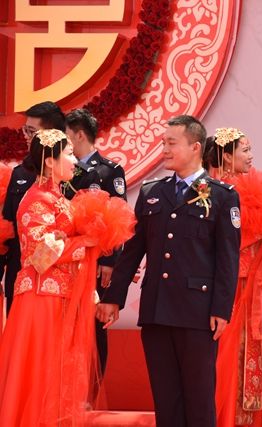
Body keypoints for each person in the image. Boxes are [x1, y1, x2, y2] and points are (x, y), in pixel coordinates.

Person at [97, 115, 241, 427]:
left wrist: (221, 308)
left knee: (199, 398)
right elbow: (134, 249)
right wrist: (113, 297)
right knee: (166, 398)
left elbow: (228, 259)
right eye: (163, 143)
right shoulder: (152, 191)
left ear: (195, 147)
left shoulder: (222, 195)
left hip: (197, 312)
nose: (164, 149)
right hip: (157, 309)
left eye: (171, 143)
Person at [0, 129, 98, 425]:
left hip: (59, 296)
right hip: (41, 298)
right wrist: (84, 243)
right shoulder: (36, 200)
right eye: (68, 154)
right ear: (49, 161)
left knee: (57, 371)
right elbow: (41, 256)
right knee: (41, 371)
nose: (75, 161)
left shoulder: (58, 197)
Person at [203, 128, 262, 427]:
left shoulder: (241, 190)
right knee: (226, 351)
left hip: (243, 283)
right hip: (230, 285)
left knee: (237, 350)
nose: (251, 156)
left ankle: (233, 417)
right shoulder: (217, 191)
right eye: (245, 150)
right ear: (227, 156)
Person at [63, 108, 127, 376]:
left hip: (97, 262)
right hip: (67, 259)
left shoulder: (109, 170)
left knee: (93, 323)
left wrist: (110, 261)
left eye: (67, 134)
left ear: (79, 135)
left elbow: (119, 218)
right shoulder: (62, 168)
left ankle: (93, 385)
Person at [2, 101, 65, 313]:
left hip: (57, 282)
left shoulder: (70, 176)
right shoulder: (20, 173)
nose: (26, 136)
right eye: (25, 130)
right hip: (20, 276)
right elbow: (8, 228)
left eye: (31, 131)